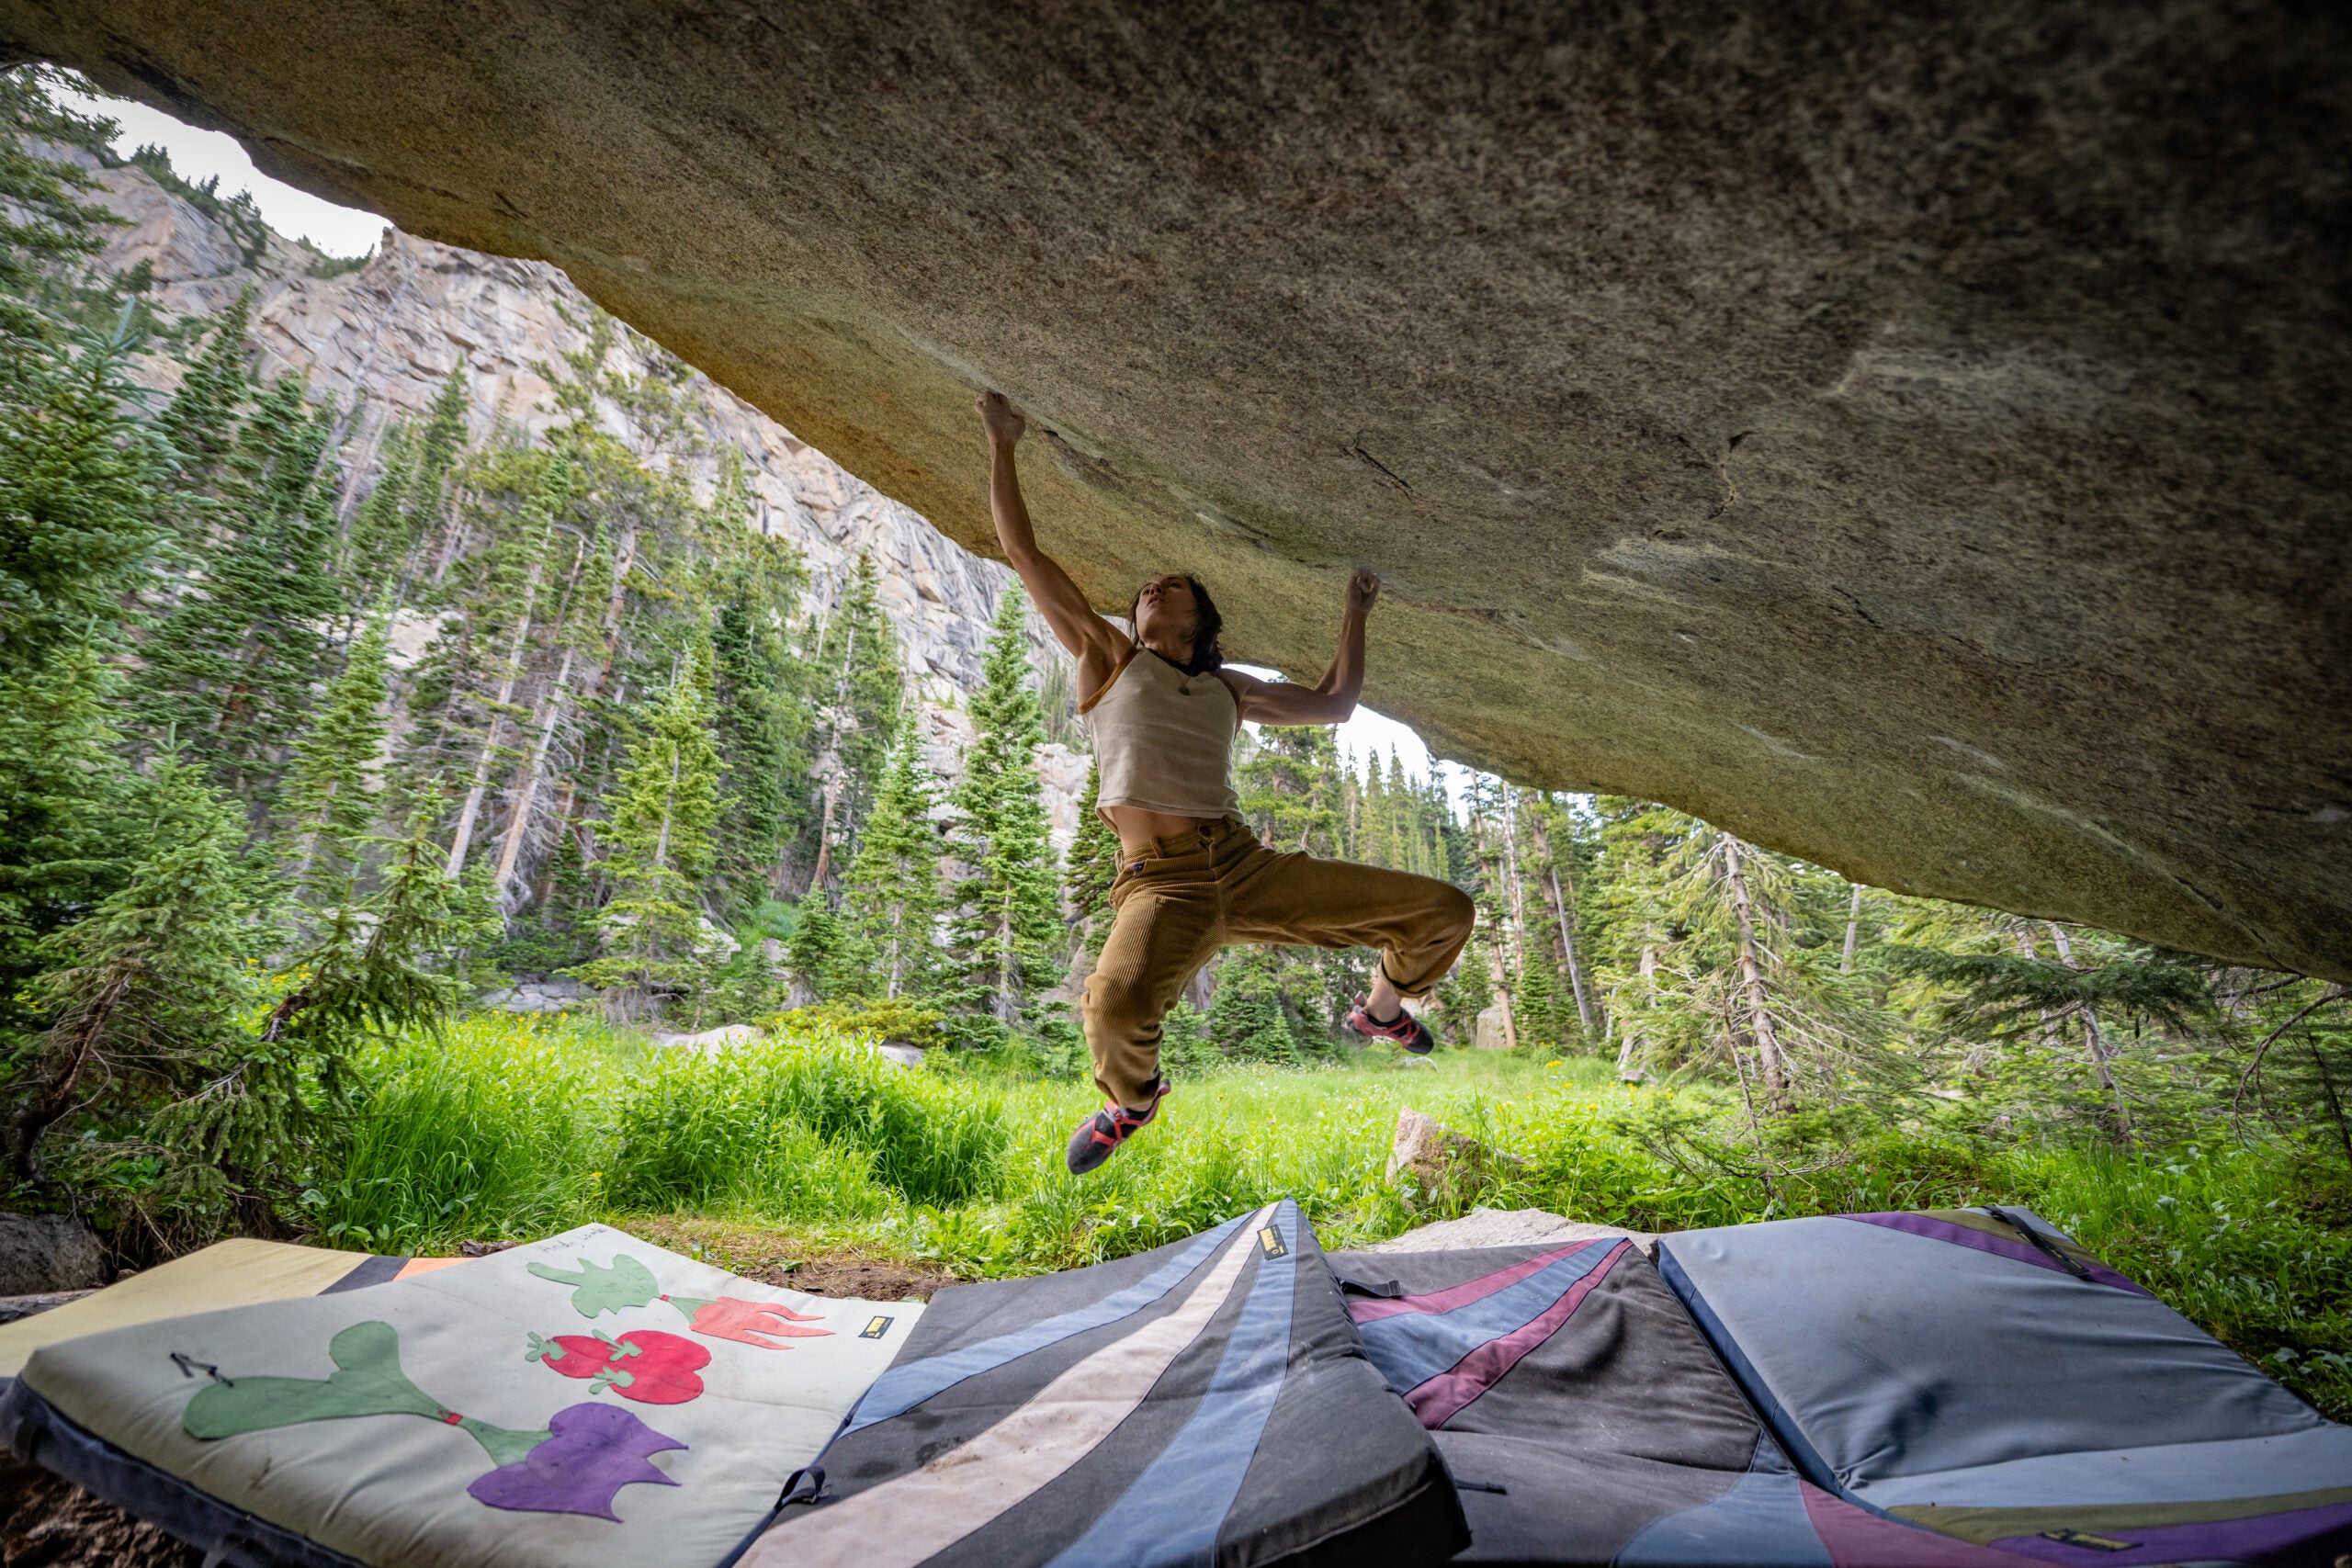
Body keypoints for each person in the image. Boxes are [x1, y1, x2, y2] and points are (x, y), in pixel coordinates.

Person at [975, 389, 1477, 1175]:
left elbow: (1336, 703)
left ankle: (1383, 1010)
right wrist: (1001, 442)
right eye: (1147, 587)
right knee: (1112, 1004)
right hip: (1160, 884)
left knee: (1446, 911)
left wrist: (1356, 609)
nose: (1152, 588)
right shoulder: (1109, 656)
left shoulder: (1229, 687)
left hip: (1245, 867)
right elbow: (1026, 557)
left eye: (1170, 585)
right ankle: (1130, 1103)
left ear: (1200, 620)